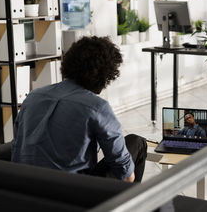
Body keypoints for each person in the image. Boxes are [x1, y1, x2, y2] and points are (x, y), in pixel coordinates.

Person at [11, 36, 147, 183]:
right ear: (106, 75)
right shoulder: (97, 107)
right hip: (75, 192)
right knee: (137, 142)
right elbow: (126, 175)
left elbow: (17, 146)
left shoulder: (33, 96)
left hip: (25, 186)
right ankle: (135, 204)